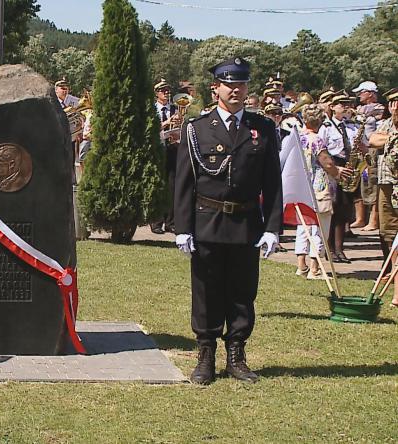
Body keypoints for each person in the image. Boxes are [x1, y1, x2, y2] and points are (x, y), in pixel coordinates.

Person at [174, 57, 282, 385]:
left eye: (241, 84)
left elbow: (272, 183)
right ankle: (205, 354)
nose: (236, 90)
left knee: (241, 291)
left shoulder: (261, 128)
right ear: (215, 88)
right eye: (229, 84)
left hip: (246, 222)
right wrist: (182, 228)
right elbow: (183, 182)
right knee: (206, 290)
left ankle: (237, 354)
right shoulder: (196, 128)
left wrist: (273, 228)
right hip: (207, 221)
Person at [294, 104, 352, 279]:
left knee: (303, 225)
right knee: (320, 226)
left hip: (301, 186)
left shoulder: (296, 137)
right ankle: (314, 268)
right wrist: (338, 172)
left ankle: (301, 265)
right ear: (319, 120)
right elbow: (327, 163)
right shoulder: (316, 139)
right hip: (318, 186)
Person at [319, 91, 364, 263]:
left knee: (344, 211)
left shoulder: (353, 126)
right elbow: (321, 151)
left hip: (349, 167)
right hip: (333, 167)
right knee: (333, 208)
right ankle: (330, 249)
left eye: (348, 104)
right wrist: (334, 168)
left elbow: (361, 147)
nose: (346, 107)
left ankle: (340, 249)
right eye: (342, 105)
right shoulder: (326, 127)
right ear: (332, 107)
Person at [371, 87, 398, 308]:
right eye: (392, 103)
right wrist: (391, 137)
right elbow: (373, 140)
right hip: (386, 184)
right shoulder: (386, 125)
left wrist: (386, 139)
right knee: (386, 232)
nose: (395, 107)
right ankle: (389, 270)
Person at [151, 78, 180, 234]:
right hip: (157, 148)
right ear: (157, 93)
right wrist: (168, 121)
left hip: (172, 148)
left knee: (172, 185)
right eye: (163, 91)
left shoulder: (175, 108)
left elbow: (180, 127)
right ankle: (156, 222)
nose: (167, 93)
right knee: (158, 184)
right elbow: (152, 128)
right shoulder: (152, 109)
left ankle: (171, 222)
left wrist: (178, 126)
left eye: (168, 90)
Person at [353, 81, 382, 231]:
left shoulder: (379, 110)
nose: (359, 95)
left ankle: (374, 220)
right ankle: (360, 218)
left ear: (370, 93)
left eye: (362, 92)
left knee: (372, 183)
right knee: (360, 184)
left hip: (372, 150)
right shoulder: (358, 109)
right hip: (359, 150)